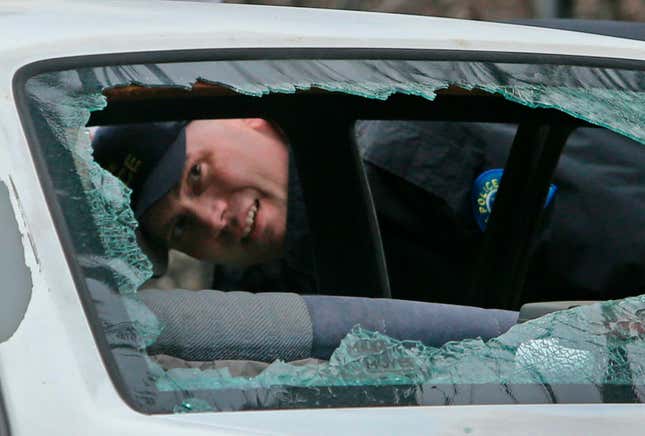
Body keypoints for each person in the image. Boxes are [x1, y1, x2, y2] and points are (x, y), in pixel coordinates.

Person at [92, 118, 645, 305]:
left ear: (248, 119)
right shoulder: (266, 305)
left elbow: (617, 245)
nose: (212, 219)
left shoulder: (397, 156)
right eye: (181, 226)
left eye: (197, 176)